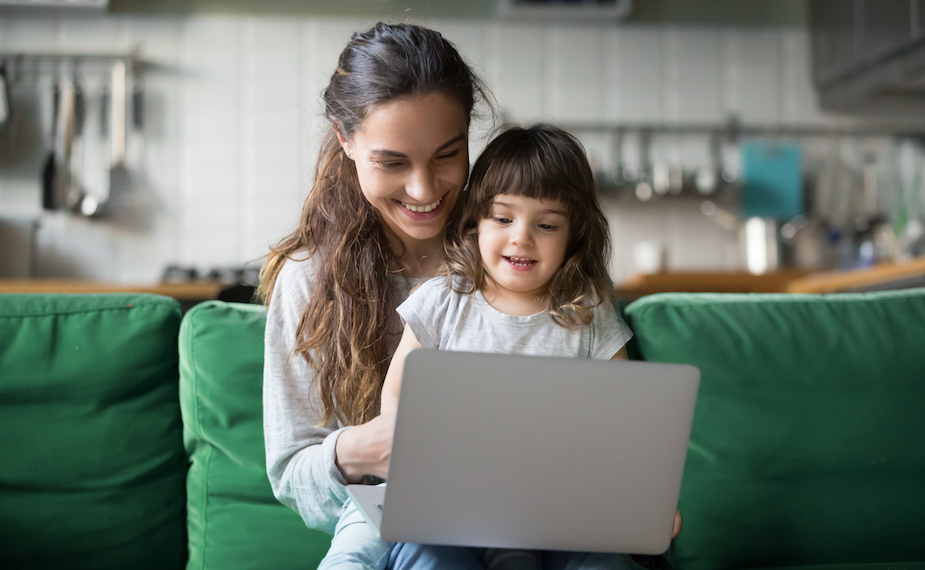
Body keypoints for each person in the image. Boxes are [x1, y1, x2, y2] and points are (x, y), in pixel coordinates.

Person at [260, 21, 679, 570]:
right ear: (345, 140)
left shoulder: (526, 257)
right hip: (409, 527)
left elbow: (615, 418)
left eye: (445, 155)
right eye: (392, 162)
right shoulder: (310, 279)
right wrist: (362, 449)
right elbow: (292, 474)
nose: (424, 190)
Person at [323, 124, 676, 570]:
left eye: (546, 225)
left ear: (574, 235)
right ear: (476, 220)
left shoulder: (587, 311)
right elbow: (396, 395)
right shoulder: (444, 299)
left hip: (557, 507)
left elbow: (627, 415)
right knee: (410, 552)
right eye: (503, 218)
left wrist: (647, 500)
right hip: (451, 499)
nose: (521, 238)